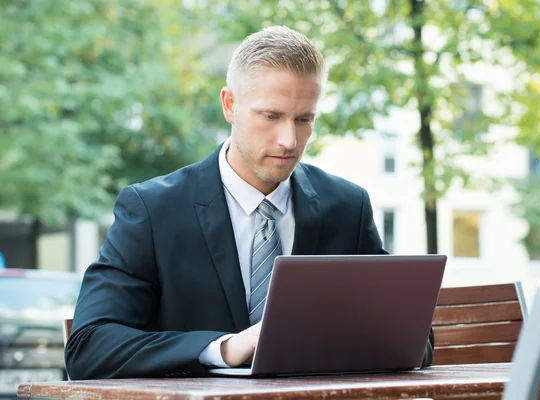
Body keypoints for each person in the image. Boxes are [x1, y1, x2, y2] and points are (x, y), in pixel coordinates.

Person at [65, 26, 434, 380]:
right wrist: (224, 349)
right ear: (229, 104)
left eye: (304, 119)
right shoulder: (152, 210)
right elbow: (88, 347)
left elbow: (416, 342)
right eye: (271, 116)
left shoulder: (347, 208)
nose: (289, 140)